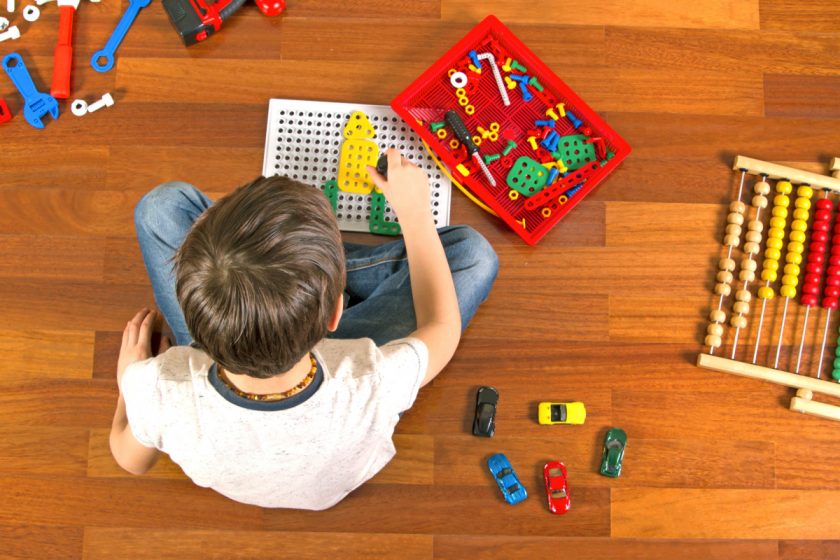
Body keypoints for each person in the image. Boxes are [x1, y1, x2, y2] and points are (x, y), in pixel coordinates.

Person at [109, 149, 499, 510]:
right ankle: (310, 274)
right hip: (326, 355)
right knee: (472, 255)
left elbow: (129, 460)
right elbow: (442, 328)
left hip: (233, 337)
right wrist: (415, 214)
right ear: (335, 314)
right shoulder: (372, 378)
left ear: (189, 312)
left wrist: (128, 382)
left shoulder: (159, 388)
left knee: (161, 207)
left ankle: (300, 273)